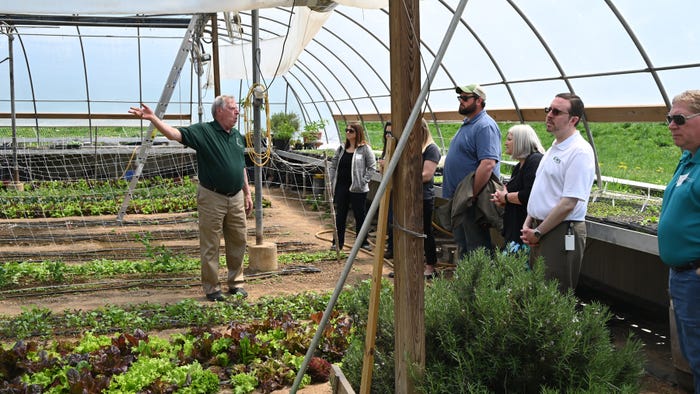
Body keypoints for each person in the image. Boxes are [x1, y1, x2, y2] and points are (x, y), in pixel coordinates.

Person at [129, 96, 253, 302]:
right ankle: (212, 288)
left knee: (239, 241)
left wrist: (247, 192)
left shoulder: (237, 136)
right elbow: (174, 134)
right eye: (233, 109)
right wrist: (153, 119)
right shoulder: (204, 132)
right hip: (212, 196)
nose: (237, 112)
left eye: (237, 109)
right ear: (219, 111)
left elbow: (240, 166)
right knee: (211, 244)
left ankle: (236, 283)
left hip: (236, 197)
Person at [520, 93, 595, 292]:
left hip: (561, 231)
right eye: (548, 110)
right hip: (541, 228)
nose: (549, 115)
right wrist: (530, 221)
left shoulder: (579, 152)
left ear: (573, 120)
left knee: (553, 294)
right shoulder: (555, 147)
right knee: (537, 291)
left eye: (556, 112)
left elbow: (569, 203)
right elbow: (542, 189)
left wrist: (538, 231)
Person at [657, 89, 700, 394]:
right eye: (669, 118)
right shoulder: (688, 159)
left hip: (695, 277)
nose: (671, 124)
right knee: (694, 354)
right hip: (683, 276)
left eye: (680, 118)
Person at [442, 83, 502, 258]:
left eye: (466, 98)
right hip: (461, 198)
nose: (461, 101)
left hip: (471, 200)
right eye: (460, 98)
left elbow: (488, 163)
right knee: (464, 244)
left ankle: (479, 284)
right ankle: (466, 283)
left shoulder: (485, 126)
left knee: (476, 247)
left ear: (479, 101)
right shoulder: (468, 124)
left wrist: (471, 194)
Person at [490, 124, 544, 252]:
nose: (505, 143)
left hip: (525, 232)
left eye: (509, 139)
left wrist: (506, 197)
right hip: (515, 230)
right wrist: (503, 200)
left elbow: (529, 195)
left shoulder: (534, 161)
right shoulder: (519, 165)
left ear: (521, 141)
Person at [328, 122, 377, 251]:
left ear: (358, 133)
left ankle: (363, 242)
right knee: (340, 215)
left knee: (360, 215)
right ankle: (337, 242)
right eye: (347, 130)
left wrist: (363, 181)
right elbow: (333, 165)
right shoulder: (341, 148)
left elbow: (372, 167)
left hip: (358, 188)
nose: (348, 132)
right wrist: (332, 180)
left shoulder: (365, 149)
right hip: (341, 187)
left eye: (351, 131)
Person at [419, 119, 442, 278]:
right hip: (411, 196)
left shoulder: (431, 148)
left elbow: (426, 175)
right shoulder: (416, 147)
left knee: (426, 231)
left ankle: (430, 266)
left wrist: (405, 180)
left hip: (423, 197)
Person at [377, 121, 395, 259]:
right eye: (386, 133)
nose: (388, 135)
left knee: (393, 220)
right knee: (387, 220)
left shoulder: (397, 148)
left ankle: (393, 249)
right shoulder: (386, 148)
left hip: (396, 191)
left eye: (391, 133)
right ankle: (390, 247)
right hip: (387, 189)